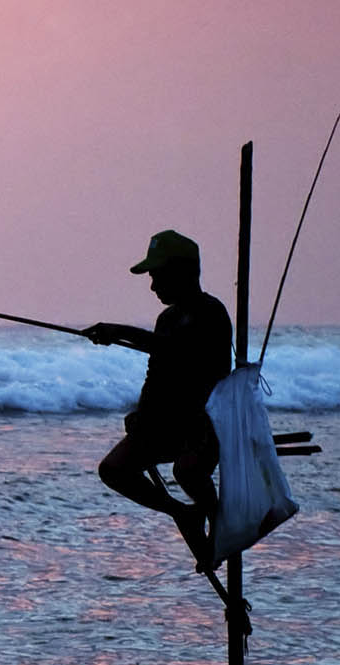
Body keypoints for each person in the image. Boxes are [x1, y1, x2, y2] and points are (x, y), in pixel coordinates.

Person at [86, 227, 232, 576]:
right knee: (113, 470)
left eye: (157, 276)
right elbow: (157, 372)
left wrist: (119, 332)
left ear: (182, 272)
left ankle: (218, 522)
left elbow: (174, 351)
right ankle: (183, 513)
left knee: (187, 471)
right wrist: (141, 412)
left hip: (207, 423)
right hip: (168, 424)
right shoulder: (167, 318)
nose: (152, 286)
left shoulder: (210, 312)